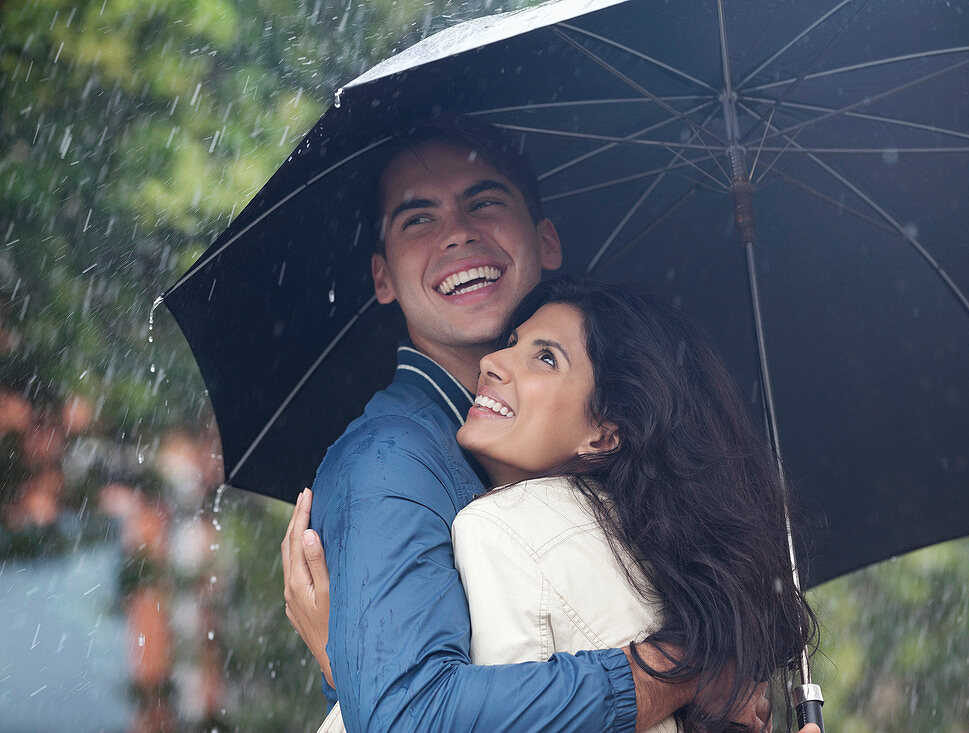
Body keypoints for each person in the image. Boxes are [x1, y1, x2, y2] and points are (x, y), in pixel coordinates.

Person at [280, 117, 782, 732]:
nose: (458, 235)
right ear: (382, 276)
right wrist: (678, 668)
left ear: (545, 241)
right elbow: (407, 718)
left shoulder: (603, 480)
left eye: (483, 202)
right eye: (418, 219)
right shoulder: (391, 461)